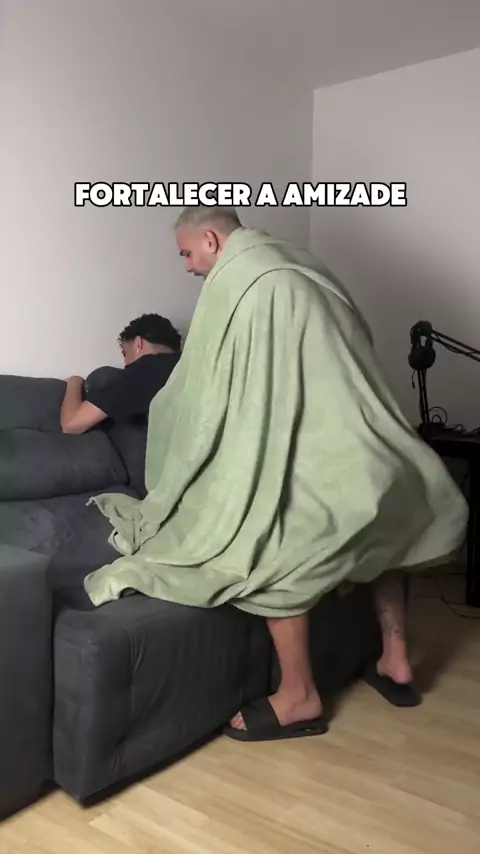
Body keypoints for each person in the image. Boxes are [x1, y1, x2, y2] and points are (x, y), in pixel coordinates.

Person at [83, 206, 468, 742]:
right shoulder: (303, 264)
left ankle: (298, 694)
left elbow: (209, 389)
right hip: (374, 446)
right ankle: (396, 657)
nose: (189, 267)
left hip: (315, 447)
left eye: (187, 254)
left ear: (211, 240)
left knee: (267, 538)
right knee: (390, 526)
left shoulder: (239, 277)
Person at [60, 313, 181, 434]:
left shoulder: (142, 370)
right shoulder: (184, 365)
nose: (125, 362)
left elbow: (71, 425)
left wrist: (74, 382)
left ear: (138, 344)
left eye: (125, 353)